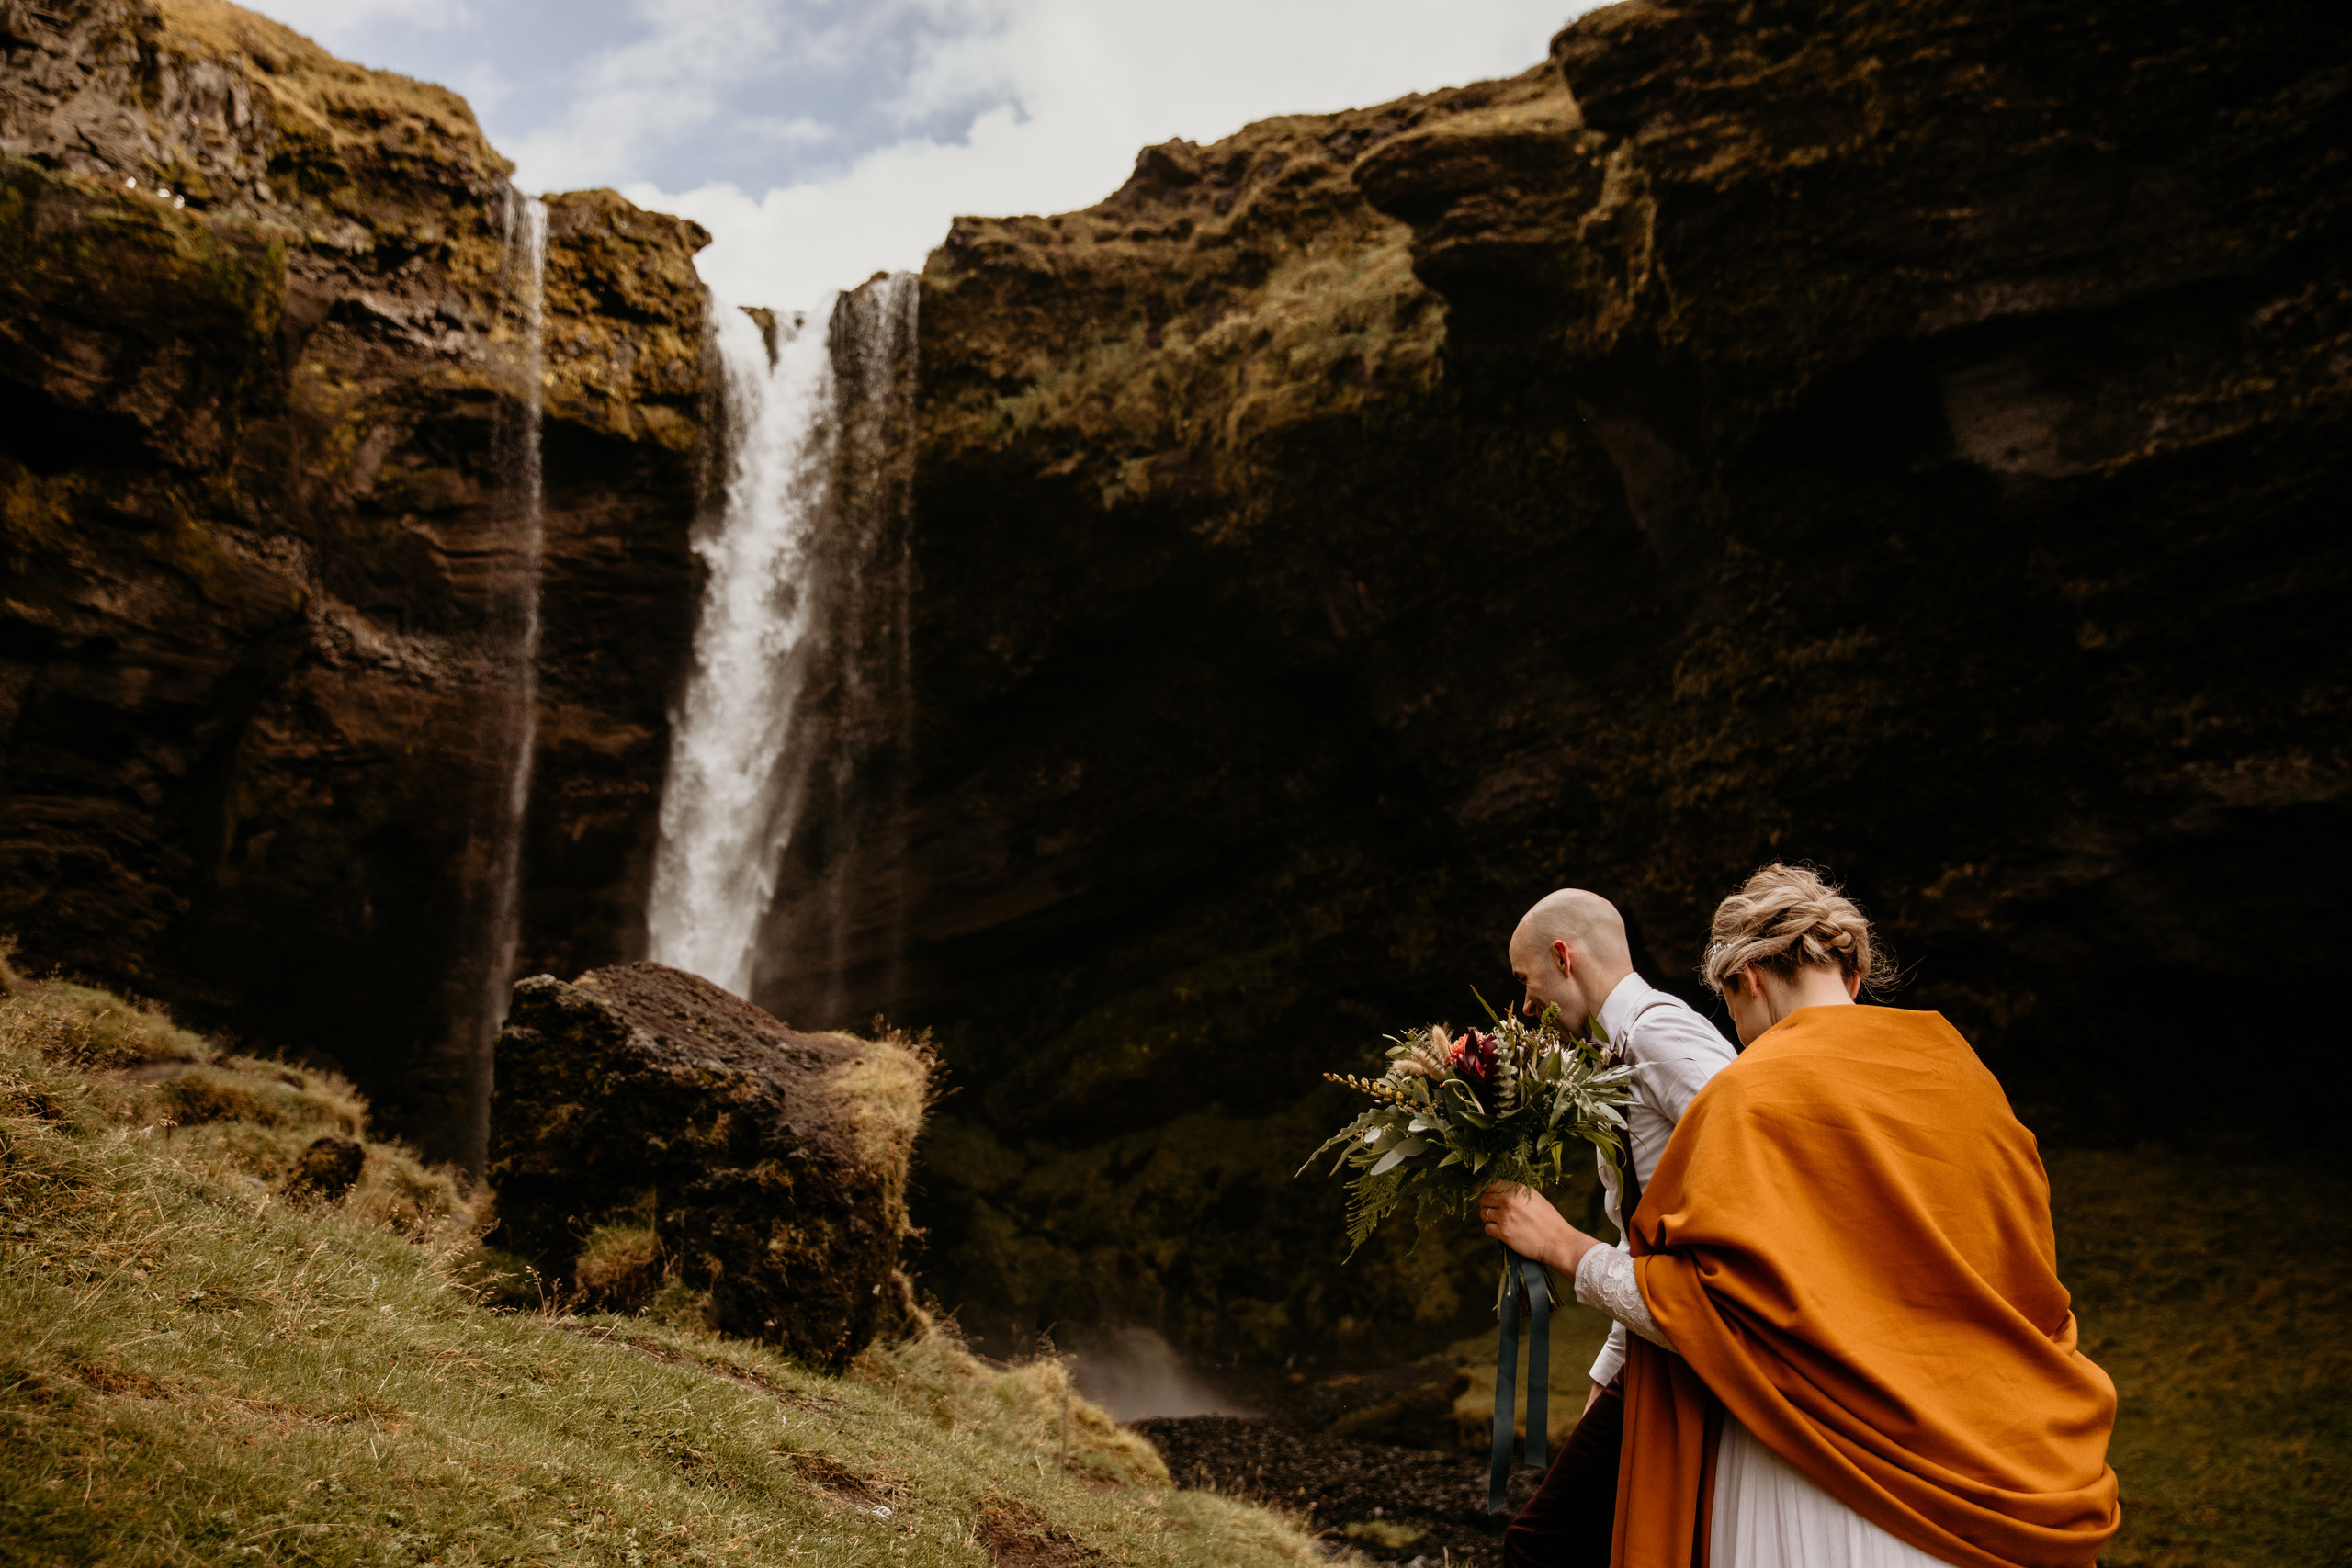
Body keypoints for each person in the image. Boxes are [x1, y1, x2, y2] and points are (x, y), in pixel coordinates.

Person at [1480, 864, 2120, 1567]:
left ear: (1747, 978)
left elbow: (1724, 1311)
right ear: (1848, 973)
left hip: (1812, 1463)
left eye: (1730, 1009)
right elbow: (2014, 1276)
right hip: (1991, 1453)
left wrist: (1567, 1248)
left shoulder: (1753, 1092)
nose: (1737, 1038)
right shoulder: (1965, 1074)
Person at [1497, 889, 1737, 1568]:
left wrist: (1558, 1243)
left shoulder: (1660, 1034)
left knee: (1539, 1545)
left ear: (1562, 957)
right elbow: (1642, 1235)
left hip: (1702, 1348)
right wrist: (1610, 1373)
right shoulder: (1611, 1053)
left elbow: (1761, 1162)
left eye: (1526, 981)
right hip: (1657, 1350)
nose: (1524, 1006)